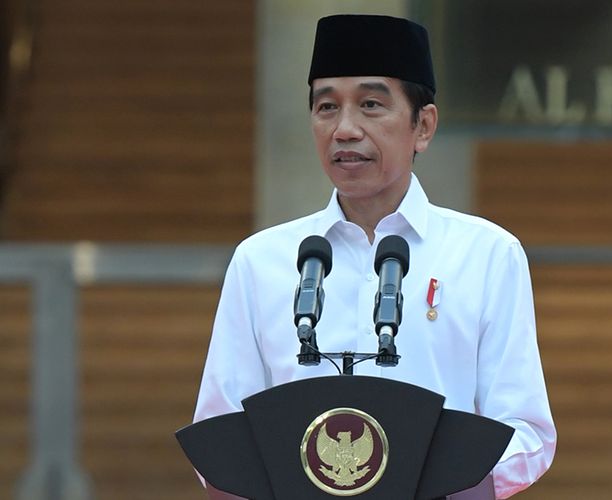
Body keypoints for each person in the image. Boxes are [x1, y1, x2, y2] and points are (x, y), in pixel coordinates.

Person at [193, 14, 556, 499]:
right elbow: (222, 430)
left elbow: (526, 432)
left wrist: (444, 488)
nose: (345, 129)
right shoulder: (261, 261)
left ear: (422, 125)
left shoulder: (487, 254)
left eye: (370, 105)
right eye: (326, 107)